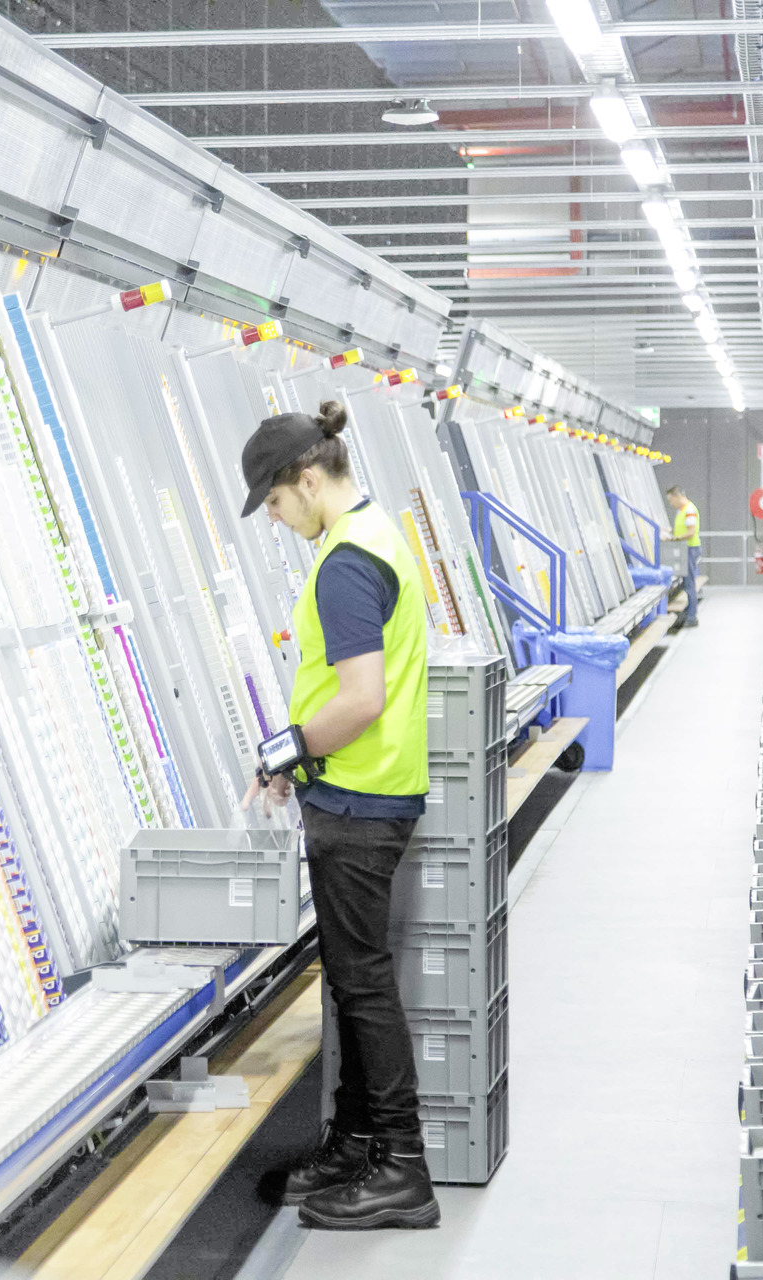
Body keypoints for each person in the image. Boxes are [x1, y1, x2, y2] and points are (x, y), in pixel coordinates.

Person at [237, 400, 438, 1232]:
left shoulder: (348, 562)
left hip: (359, 801)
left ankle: (400, 1166)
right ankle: (356, 1144)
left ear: (308, 480)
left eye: (277, 505)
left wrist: (287, 752)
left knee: (362, 984)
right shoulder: (377, 538)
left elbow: (359, 699)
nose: (278, 522)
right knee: (355, 984)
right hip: (365, 791)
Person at [666, 485, 701, 628]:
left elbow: (691, 532)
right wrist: (671, 531)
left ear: (677, 496)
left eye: (671, 500)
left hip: (690, 549)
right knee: (687, 583)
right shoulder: (681, 511)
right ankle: (689, 613)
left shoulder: (689, 510)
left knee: (690, 584)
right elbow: (682, 528)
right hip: (685, 549)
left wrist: (675, 538)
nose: (671, 504)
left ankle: (692, 617)